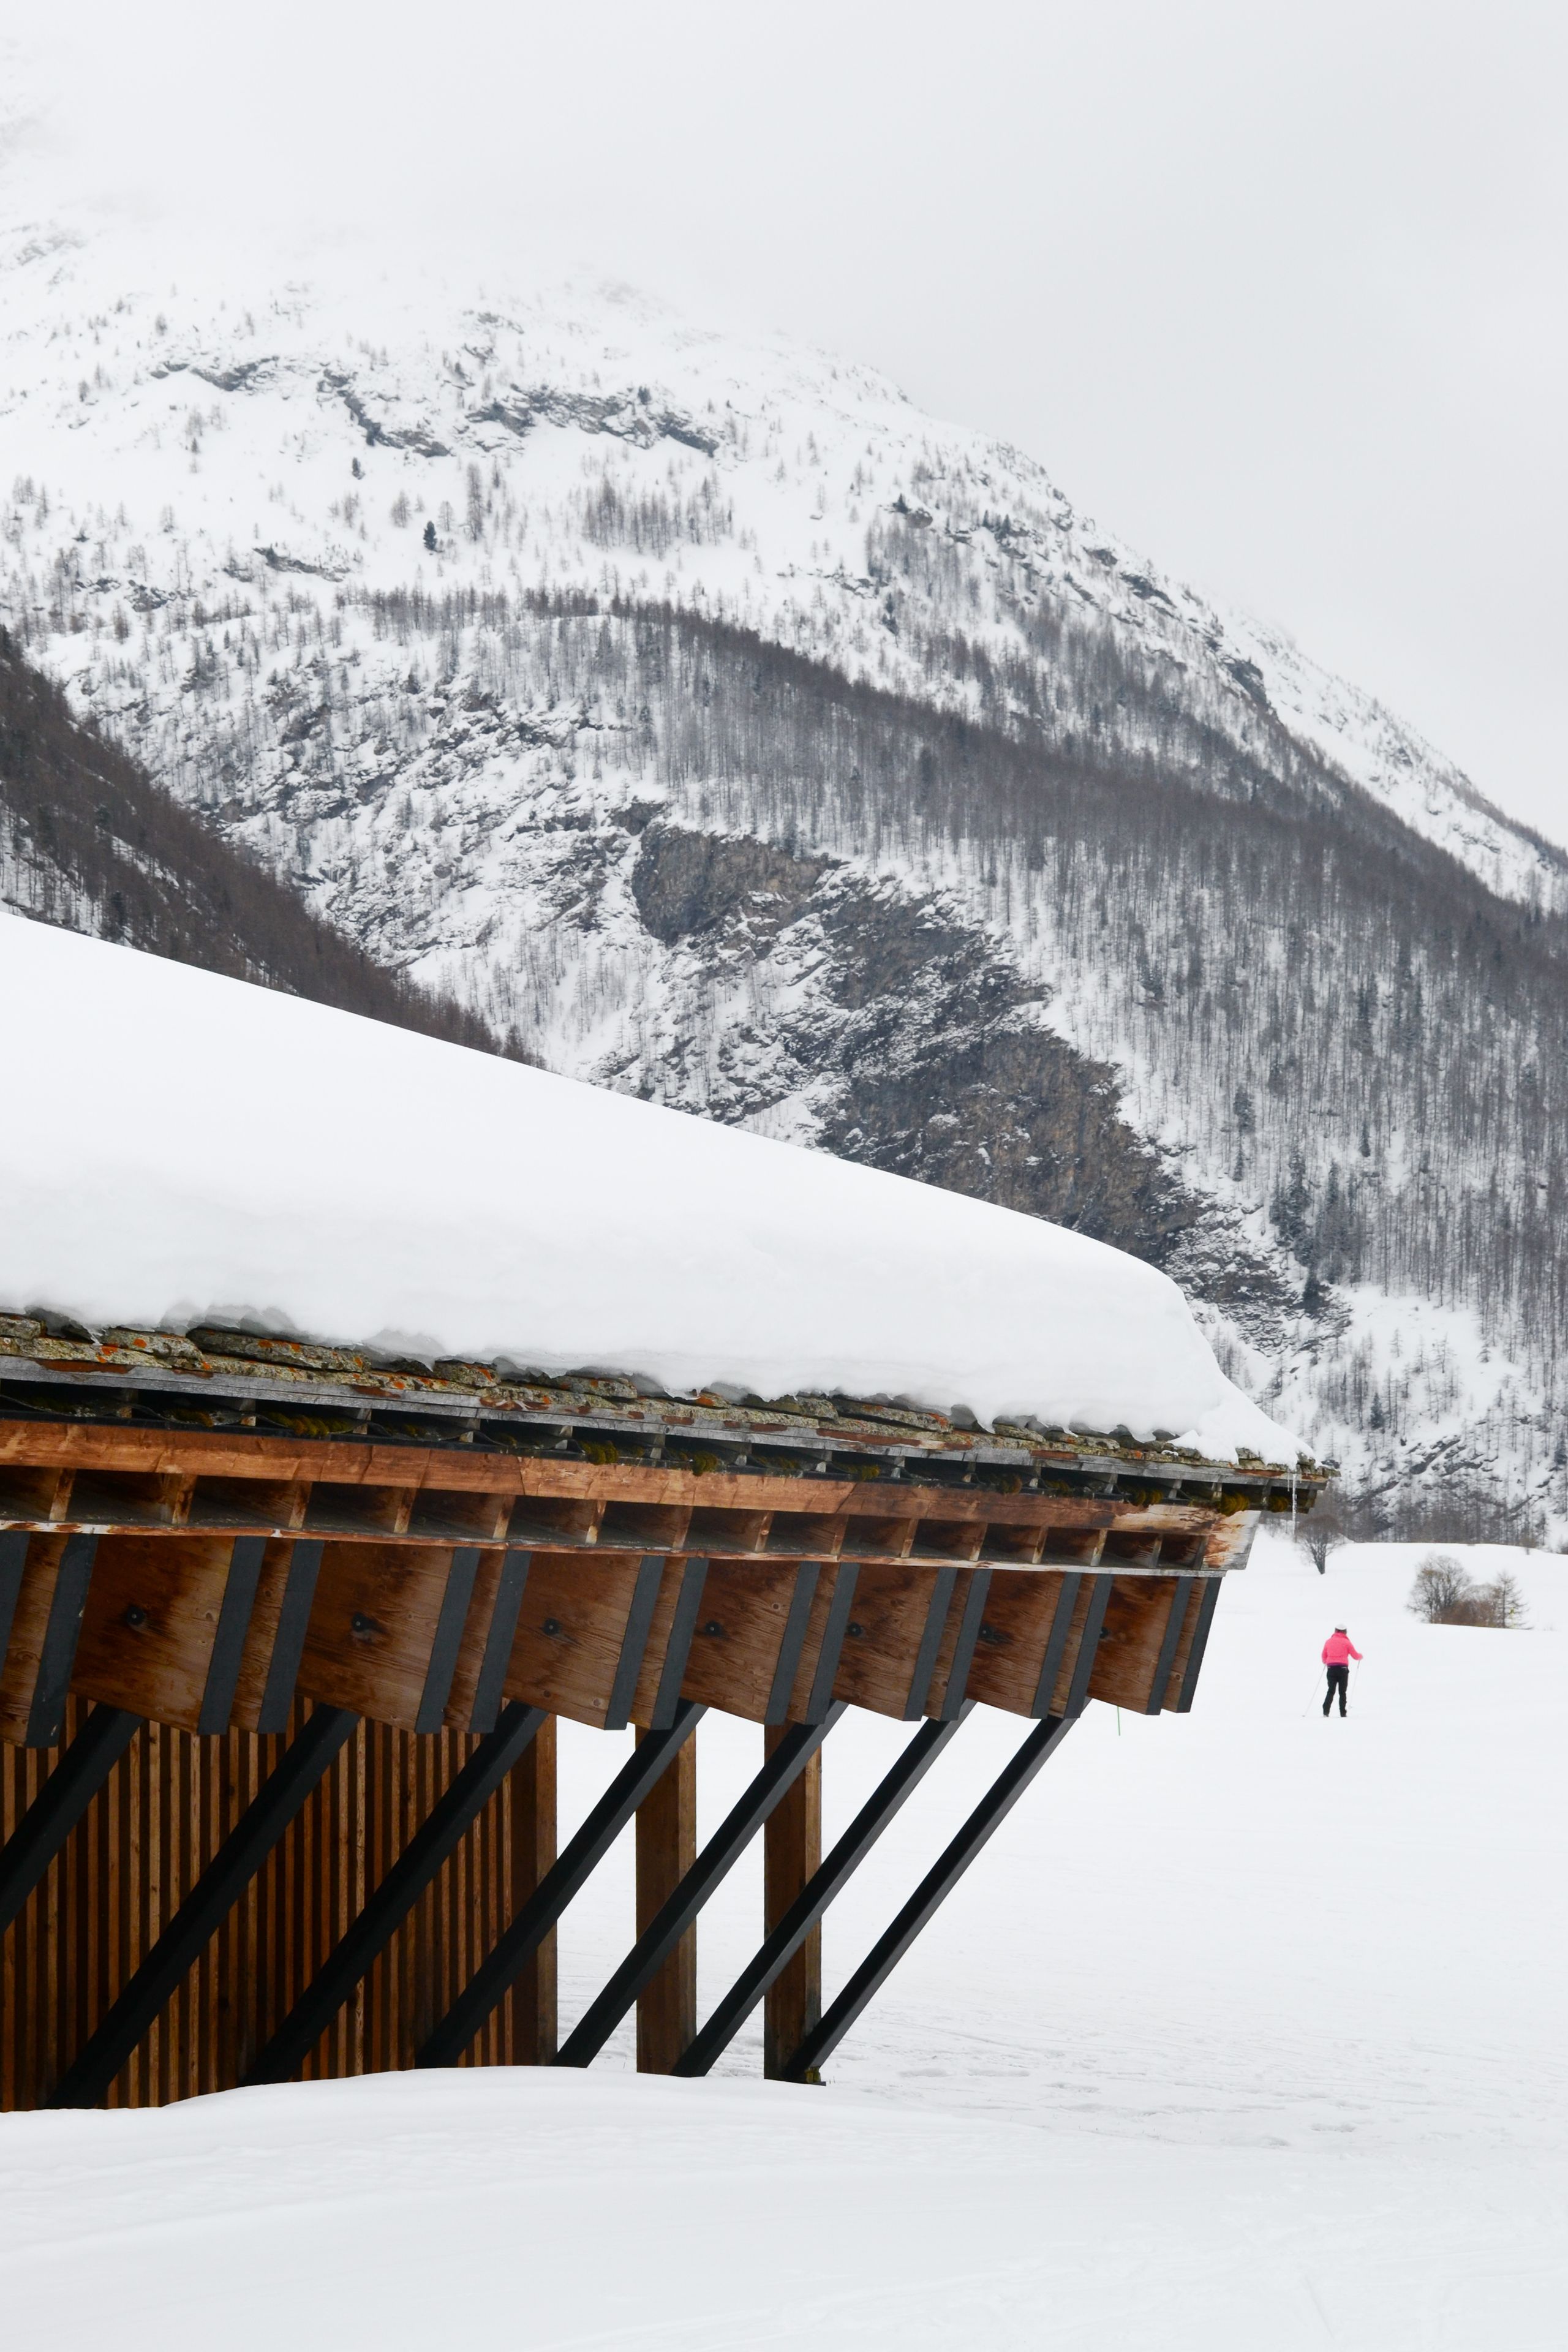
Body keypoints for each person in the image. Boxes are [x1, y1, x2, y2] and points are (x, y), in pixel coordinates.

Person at [1321, 1625, 1362, 1716]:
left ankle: (1326, 1711)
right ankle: (1343, 1713)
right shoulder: (1347, 1642)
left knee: (1331, 1690)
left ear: (1336, 1631)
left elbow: (1324, 1656)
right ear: (1345, 1632)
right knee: (1342, 1692)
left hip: (1331, 1669)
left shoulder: (1328, 1642)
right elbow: (1355, 1656)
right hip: (1343, 1669)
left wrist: (1327, 1662)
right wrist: (1360, 1656)